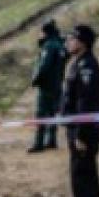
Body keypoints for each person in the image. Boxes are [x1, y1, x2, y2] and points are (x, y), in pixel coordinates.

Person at [58, 24, 99, 197]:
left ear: (83, 43)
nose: (68, 43)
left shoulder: (88, 68)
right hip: (77, 129)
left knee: (83, 176)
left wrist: (80, 135)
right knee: (81, 176)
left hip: (83, 132)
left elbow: (86, 105)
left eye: (72, 39)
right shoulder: (77, 64)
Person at [28, 19, 67, 153]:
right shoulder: (61, 45)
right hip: (58, 84)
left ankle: (39, 143)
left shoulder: (49, 46)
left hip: (46, 86)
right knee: (53, 112)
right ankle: (51, 140)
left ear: (45, 32)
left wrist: (35, 79)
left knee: (41, 113)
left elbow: (44, 66)